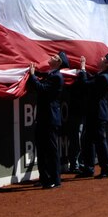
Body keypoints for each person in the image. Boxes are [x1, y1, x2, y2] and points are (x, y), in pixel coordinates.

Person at [28, 51, 68, 189]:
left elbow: (42, 88)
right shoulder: (51, 75)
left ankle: (55, 179)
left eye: (55, 57)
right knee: (41, 149)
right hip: (43, 118)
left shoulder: (57, 77)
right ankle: (44, 178)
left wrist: (32, 75)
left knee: (51, 150)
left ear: (58, 63)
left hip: (50, 119)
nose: (51, 57)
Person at [77, 53, 108, 178]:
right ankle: (89, 169)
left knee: (100, 142)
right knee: (87, 141)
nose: (100, 59)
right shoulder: (101, 75)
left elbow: (85, 84)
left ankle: (107, 169)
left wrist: (83, 69)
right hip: (93, 113)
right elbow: (91, 79)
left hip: (98, 114)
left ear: (106, 64)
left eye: (103, 59)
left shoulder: (104, 77)